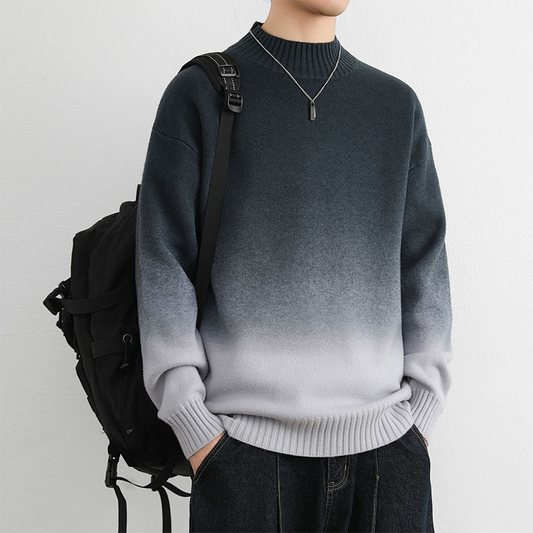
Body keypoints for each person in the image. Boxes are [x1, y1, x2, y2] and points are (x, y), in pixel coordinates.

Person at [135, 0, 454, 531]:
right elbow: (162, 259)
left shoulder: (395, 106)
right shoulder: (199, 95)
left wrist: (419, 417)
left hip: (388, 459)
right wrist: (198, 433)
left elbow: (424, 263)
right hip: (244, 462)